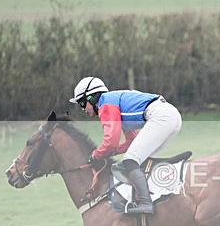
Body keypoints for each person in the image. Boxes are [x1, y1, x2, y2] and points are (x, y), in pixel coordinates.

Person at [70, 76, 182, 214]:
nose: (82, 109)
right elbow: (131, 141)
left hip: (161, 116)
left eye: (82, 103)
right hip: (170, 116)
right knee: (138, 161)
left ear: (92, 98)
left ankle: (146, 203)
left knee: (130, 160)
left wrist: (96, 155)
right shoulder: (114, 102)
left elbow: (111, 140)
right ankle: (152, 197)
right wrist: (111, 152)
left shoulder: (105, 104)